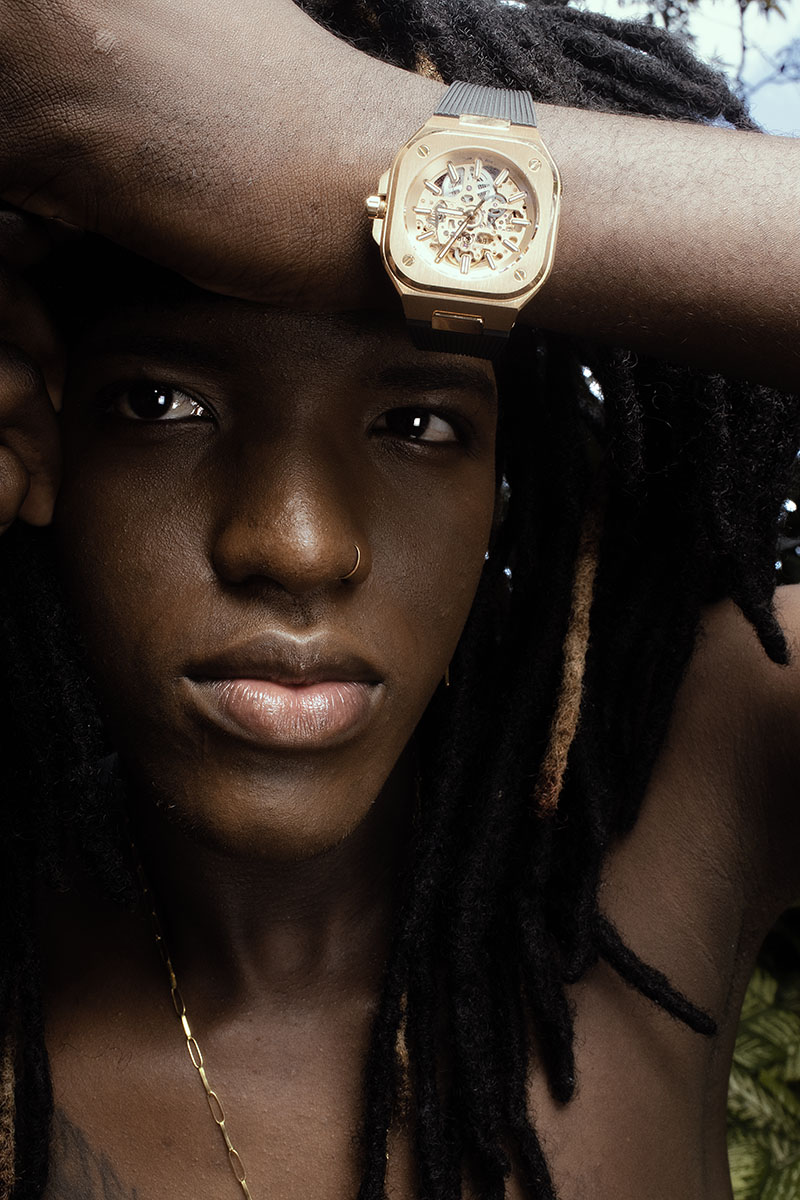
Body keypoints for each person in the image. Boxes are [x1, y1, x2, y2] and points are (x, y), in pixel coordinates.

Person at [0, 2, 798, 1199]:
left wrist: (367, 150)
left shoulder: (695, 782)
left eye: (417, 422)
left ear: (511, 478)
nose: (298, 545)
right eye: (160, 405)